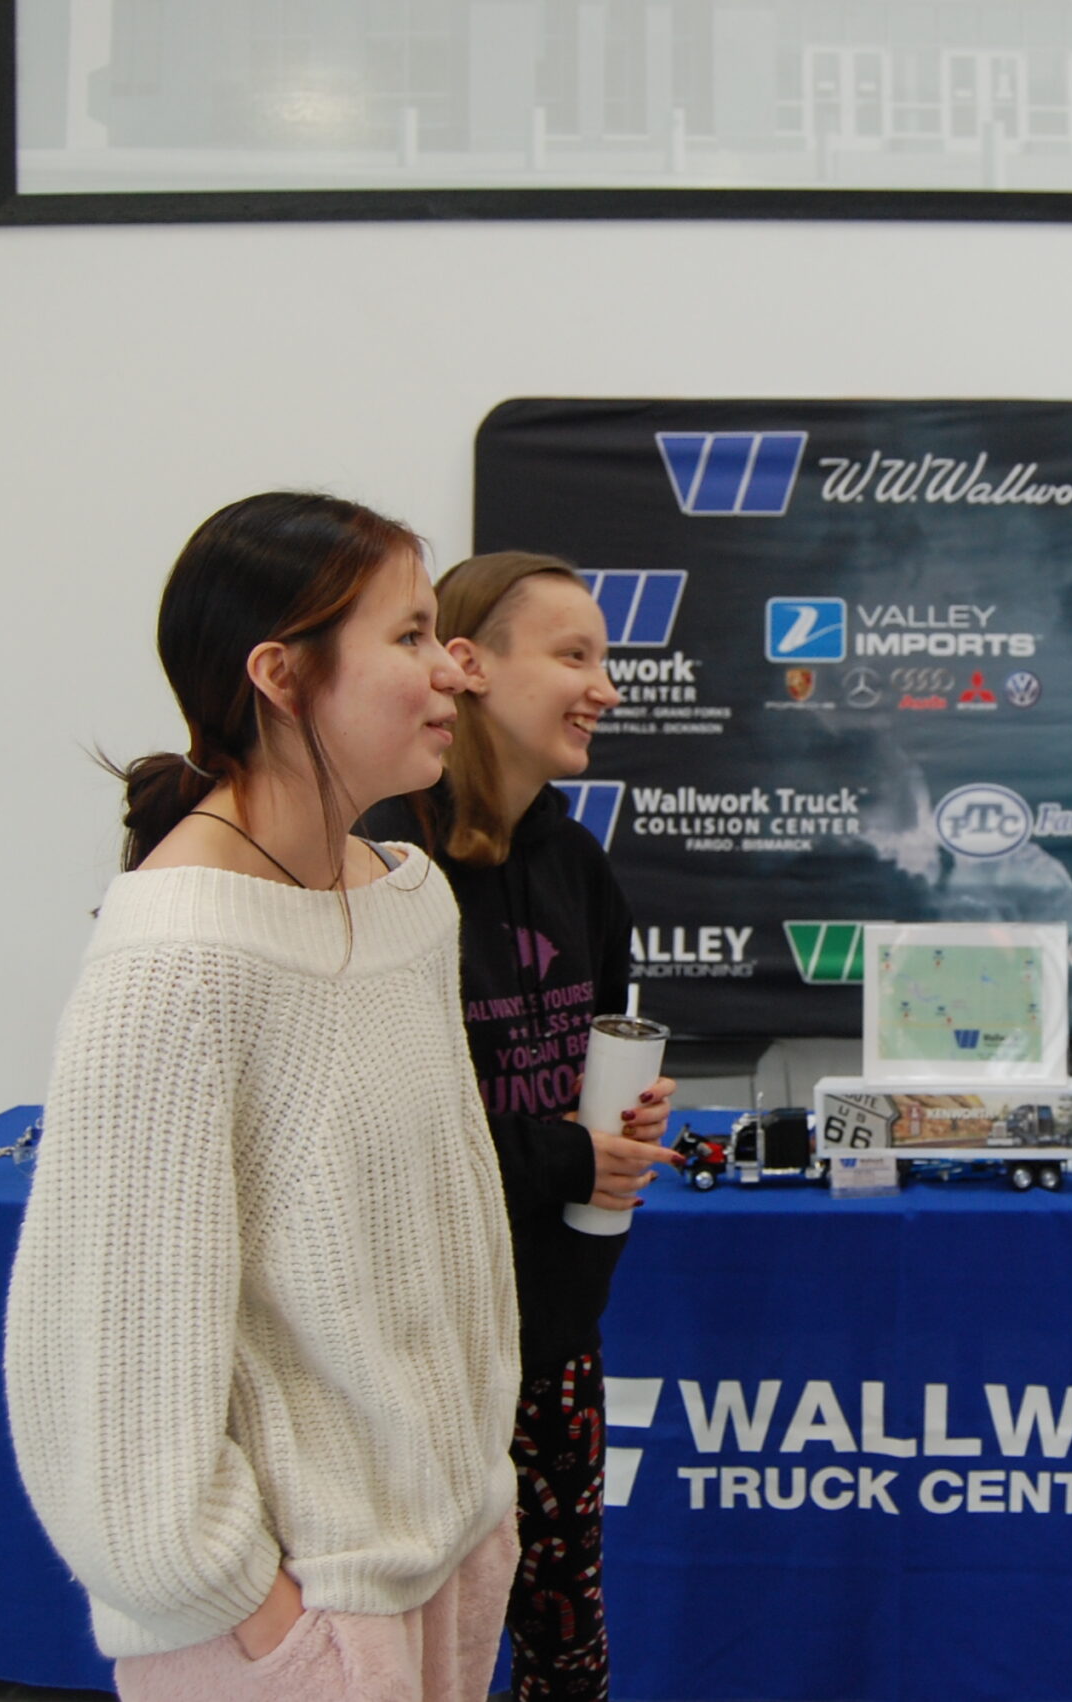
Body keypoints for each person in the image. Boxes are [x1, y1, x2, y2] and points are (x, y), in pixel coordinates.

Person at [4, 493, 522, 1702]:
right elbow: (106, 1378)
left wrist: (470, 1501)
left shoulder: (406, 893)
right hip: (301, 1615)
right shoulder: (177, 960)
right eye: (407, 636)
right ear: (283, 675)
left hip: (437, 1560)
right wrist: (260, 1619)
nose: (455, 668)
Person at [362, 550, 676, 1702]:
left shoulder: (577, 861)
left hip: (549, 1325)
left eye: (607, 656)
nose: (604, 686)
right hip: (412, 1343)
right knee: (416, 1642)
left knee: (562, 1627)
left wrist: (625, 1119)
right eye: (574, 655)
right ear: (469, 664)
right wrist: (563, 1151)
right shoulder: (380, 861)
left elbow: (594, 1052)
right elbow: (380, 1137)